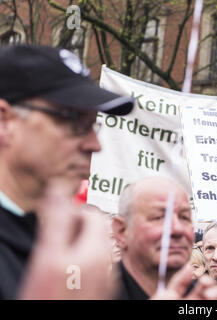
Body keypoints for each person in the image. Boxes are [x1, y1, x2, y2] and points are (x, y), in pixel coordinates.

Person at [0, 44, 134, 299]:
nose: (95, 144)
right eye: (73, 120)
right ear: (5, 121)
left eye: (94, 125)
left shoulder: (49, 240)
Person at [112, 176, 194, 299]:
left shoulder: (204, 295)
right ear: (122, 231)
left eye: (184, 217)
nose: (177, 229)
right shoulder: (91, 292)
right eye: (159, 217)